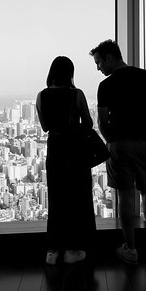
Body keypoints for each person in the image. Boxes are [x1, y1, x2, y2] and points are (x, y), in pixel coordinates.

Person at [89, 40, 146, 264]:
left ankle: (130, 248)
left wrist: (112, 141)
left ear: (110, 57)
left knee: (126, 194)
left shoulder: (106, 86)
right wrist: (140, 128)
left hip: (119, 144)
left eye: (99, 62)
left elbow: (102, 120)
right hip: (144, 142)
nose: (98, 68)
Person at [36, 56, 96, 265]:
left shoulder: (41, 96)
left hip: (55, 150)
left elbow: (45, 126)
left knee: (57, 198)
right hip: (75, 150)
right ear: (70, 73)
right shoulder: (76, 94)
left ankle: (52, 251)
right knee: (76, 199)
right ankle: (73, 249)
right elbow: (88, 123)